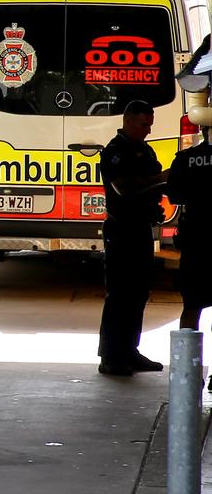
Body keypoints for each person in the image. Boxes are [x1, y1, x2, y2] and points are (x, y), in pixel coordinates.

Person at [97, 100, 169, 376]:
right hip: (121, 229)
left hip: (140, 228)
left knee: (139, 291)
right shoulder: (116, 152)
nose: (147, 131)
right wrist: (159, 179)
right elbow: (123, 188)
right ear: (128, 121)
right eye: (143, 125)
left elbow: (152, 185)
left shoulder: (144, 151)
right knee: (119, 293)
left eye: (149, 126)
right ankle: (110, 356)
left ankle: (129, 350)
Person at [164, 119, 212, 348]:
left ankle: (186, 369)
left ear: (203, 130)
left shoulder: (185, 159)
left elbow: (174, 196)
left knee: (191, 307)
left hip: (196, 241)